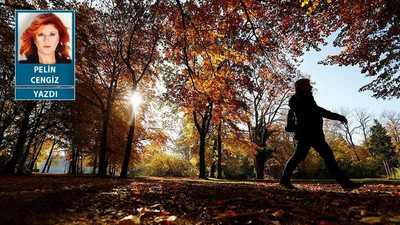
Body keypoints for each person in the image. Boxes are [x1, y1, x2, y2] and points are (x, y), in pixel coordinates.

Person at [280, 78, 364, 191]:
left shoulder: (299, 99)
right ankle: (345, 184)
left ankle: (284, 180)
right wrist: (338, 117)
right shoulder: (304, 98)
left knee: (299, 156)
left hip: (307, 134)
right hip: (312, 134)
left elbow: (314, 112)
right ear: (303, 87)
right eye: (309, 85)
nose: (311, 87)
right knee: (327, 156)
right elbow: (319, 112)